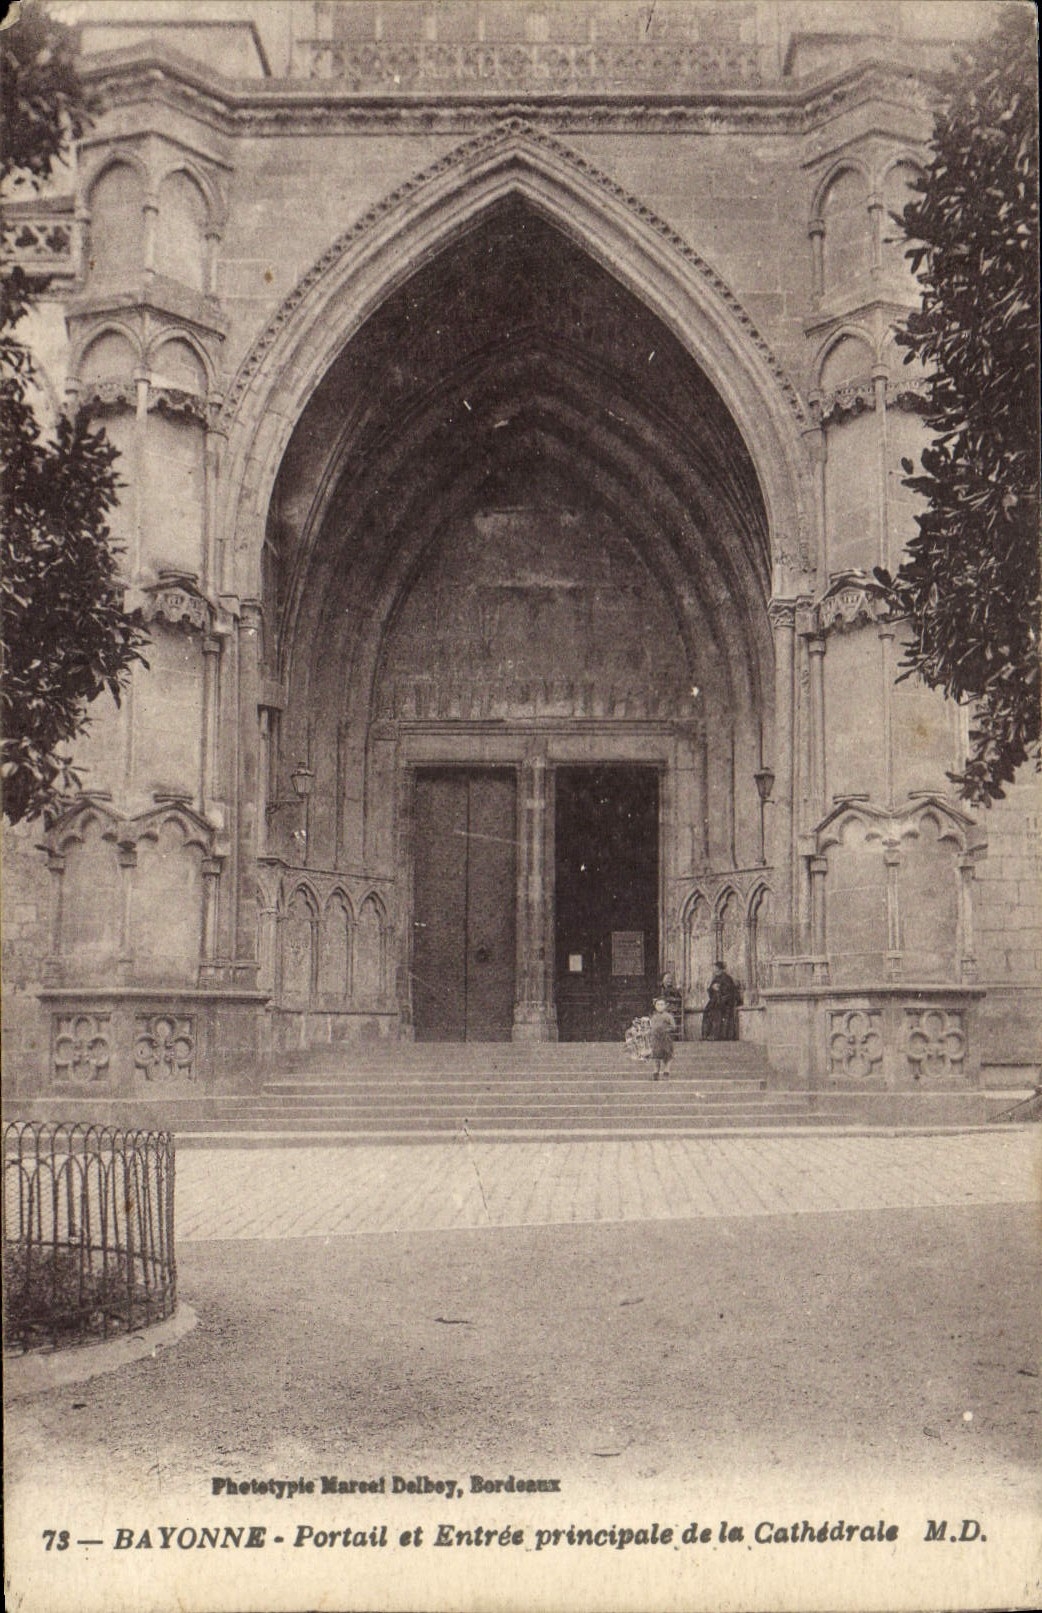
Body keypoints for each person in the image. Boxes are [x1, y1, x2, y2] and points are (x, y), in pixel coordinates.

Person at [701, 960, 741, 1041]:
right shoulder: (716, 978)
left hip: (726, 1002)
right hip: (716, 1001)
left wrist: (719, 990)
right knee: (707, 1011)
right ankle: (707, 1034)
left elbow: (730, 992)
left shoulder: (727, 978)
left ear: (721, 969)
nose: (715, 970)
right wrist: (712, 988)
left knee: (716, 1011)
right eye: (715, 969)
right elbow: (710, 990)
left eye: (716, 969)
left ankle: (716, 1035)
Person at [648, 998, 676, 1081]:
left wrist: (666, 1029)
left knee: (667, 1055)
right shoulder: (653, 1016)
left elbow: (673, 1026)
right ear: (655, 1006)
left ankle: (666, 1071)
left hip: (665, 1038)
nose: (660, 1007)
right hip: (655, 1038)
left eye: (662, 1005)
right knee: (656, 1055)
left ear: (665, 1006)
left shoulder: (668, 1016)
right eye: (658, 1005)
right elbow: (651, 1026)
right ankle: (656, 1072)